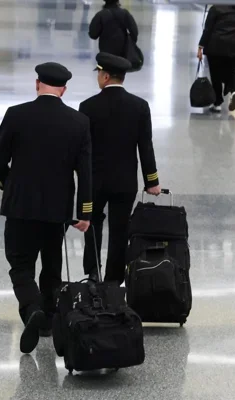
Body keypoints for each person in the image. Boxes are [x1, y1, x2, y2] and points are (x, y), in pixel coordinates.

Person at [0, 62, 92, 354]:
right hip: (57, 209)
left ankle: (31, 307)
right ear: (64, 90)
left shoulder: (16, 114)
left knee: (20, 264)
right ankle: (47, 318)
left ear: (37, 84)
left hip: (20, 205)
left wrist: (6, 182)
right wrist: (84, 211)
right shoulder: (79, 122)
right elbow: (85, 171)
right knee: (51, 264)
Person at [79, 52, 160, 284]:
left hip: (95, 181)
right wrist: (152, 181)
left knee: (92, 223)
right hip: (125, 181)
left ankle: (93, 271)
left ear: (105, 77)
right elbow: (145, 146)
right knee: (120, 229)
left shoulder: (87, 107)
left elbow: (82, 148)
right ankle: (114, 280)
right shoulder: (140, 106)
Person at [197, 5, 235, 113]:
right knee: (231, 71)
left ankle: (217, 103)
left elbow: (208, 29)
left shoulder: (216, 8)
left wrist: (201, 46)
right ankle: (233, 92)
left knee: (215, 74)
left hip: (216, 46)